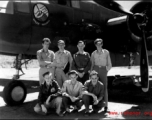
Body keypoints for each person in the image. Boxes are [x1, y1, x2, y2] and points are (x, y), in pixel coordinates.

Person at [90, 38, 112, 112]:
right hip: (95, 69)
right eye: (97, 44)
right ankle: (95, 104)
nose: (98, 45)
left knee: (104, 87)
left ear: (102, 44)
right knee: (94, 86)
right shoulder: (93, 53)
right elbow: (92, 64)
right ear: (95, 45)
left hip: (103, 70)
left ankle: (106, 106)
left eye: (100, 44)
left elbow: (109, 64)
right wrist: (91, 72)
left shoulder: (106, 52)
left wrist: (106, 70)